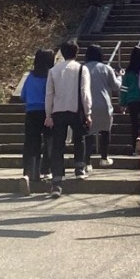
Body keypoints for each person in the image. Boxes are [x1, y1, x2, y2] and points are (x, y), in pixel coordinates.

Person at [44, 39, 92, 196]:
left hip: (58, 111)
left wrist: (48, 114)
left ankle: (56, 182)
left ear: (62, 53)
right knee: (80, 139)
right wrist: (88, 112)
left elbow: (49, 94)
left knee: (58, 146)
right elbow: (85, 93)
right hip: (76, 109)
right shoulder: (81, 69)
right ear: (77, 52)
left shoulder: (53, 70)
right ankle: (79, 168)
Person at [20, 48, 55, 188]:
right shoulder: (51, 76)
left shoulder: (30, 76)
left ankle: (30, 172)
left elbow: (23, 95)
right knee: (49, 141)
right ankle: (47, 169)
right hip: (48, 113)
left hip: (31, 112)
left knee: (31, 143)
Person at [83, 44, 121, 168]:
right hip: (104, 104)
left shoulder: (83, 68)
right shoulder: (106, 68)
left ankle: (87, 162)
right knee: (105, 130)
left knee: (89, 133)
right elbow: (115, 86)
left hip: (87, 104)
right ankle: (104, 157)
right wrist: (120, 76)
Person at [119, 46, 140, 155]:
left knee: (134, 124)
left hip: (132, 100)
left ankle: (134, 147)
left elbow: (124, 88)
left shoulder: (128, 72)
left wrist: (123, 103)